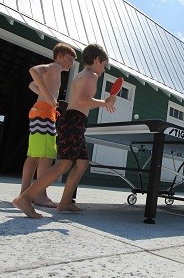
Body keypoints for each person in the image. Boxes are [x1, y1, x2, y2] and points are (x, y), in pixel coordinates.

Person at [12, 43, 117, 218]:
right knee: (64, 163)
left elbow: (82, 101)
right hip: (74, 121)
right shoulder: (91, 76)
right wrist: (104, 103)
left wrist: (102, 103)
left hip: (75, 120)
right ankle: (25, 198)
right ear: (97, 60)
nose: (104, 70)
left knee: (82, 163)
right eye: (104, 65)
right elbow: (84, 101)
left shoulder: (83, 75)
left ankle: (65, 201)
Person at [20, 42, 77, 208]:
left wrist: (46, 96)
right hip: (44, 113)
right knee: (47, 155)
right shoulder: (55, 67)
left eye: (73, 61)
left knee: (34, 155)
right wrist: (47, 95)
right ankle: (40, 195)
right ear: (59, 55)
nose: (71, 63)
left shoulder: (54, 70)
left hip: (40, 111)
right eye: (69, 59)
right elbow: (34, 71)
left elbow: (32, 85)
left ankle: (25, 193)